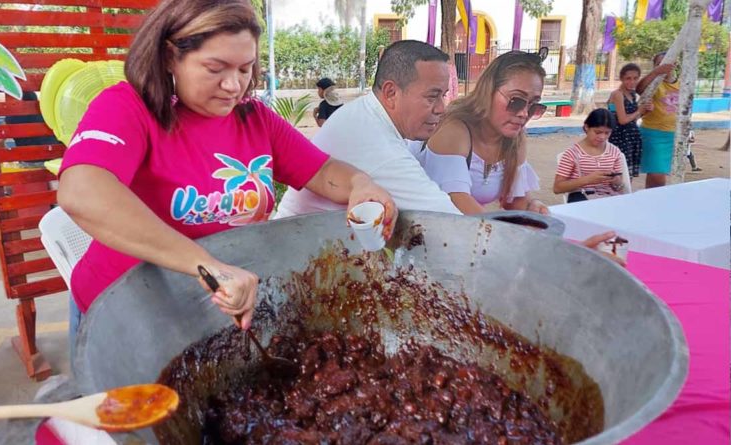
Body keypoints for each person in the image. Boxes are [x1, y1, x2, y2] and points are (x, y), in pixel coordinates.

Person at [57, 0, 396, 353]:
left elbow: (323, 171)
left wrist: (361, 184)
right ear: (170, 55)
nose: (234, 85)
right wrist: (206, 266)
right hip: (125, 314)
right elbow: (82, 192)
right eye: (215, 68)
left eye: (245, 69)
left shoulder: (254, 118)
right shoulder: (128, 106)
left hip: (213, 310)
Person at [275, 40, 461, 218]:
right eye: (432, 97)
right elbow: (452, 225)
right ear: (391, 93)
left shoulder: (365, 113)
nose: (441, 108)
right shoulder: (379, 146)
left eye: (443, 96)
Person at [411, 50, 550, 215]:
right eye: (516, 101)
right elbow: (456, 201)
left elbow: (514, 199)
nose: (524, 113)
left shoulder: (515, 140)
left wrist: (532, 206)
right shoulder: (454, 130)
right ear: (488, 91)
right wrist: (503, 233)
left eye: (534, 106)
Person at [553, 109, 625, 202]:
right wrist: (588, 179)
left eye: (607, 133)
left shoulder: (614, 151)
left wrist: (616, 181)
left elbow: (620, 187)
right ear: (587, 127)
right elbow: (557, 188)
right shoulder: (572, 153)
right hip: (582, 198)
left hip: (608, 198)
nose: (602, 137)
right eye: (597, 132)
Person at [636, 52, 679, 189]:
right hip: (654, 133)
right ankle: (652, 202)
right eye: (659, 64)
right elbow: (640, 89)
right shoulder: (654, 83)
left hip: (675, 134)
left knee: (661, 175)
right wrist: (656, 73)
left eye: (666, 63)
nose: (663, 67)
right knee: (657, 175)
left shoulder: (683, 82)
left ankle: (653, 202)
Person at [607, 63, 652, 179]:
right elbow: (622, 120)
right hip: (620, 138)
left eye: (635, 78)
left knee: (628, 175)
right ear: (622, 78)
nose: (632, 82)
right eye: (628, 78)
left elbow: (633, 118)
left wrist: (646, 110)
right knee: (620, 175)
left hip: (631, 137)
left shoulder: (632, 95)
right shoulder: (617, 94)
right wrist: (639, 111)